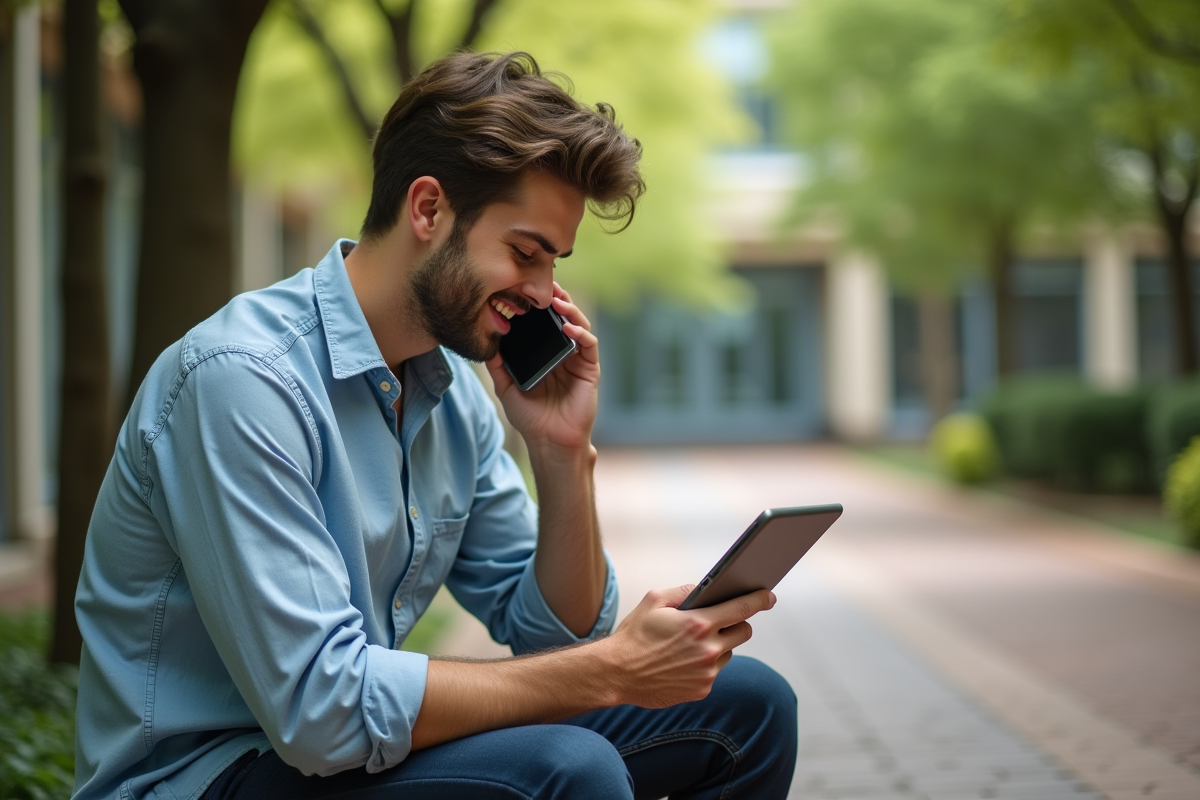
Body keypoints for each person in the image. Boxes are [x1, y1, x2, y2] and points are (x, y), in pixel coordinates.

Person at [72, 51, 797, 800]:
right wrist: (615, 669)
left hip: (345, 755)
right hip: (213, 774)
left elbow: (556, 640)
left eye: (555, 262)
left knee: (748, 707)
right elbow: (322, 712)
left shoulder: (451, 395)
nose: (546, 293)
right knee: (569, 771)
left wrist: (561, 451)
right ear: (427, 209)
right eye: (525, 253)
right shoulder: (243, 381)